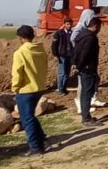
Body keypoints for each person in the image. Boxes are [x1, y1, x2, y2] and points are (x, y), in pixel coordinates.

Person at [11, 25, 49, 155]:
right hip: (39, 87)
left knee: (27, 119)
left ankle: (35, 148)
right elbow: (45, 67)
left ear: (21, 38)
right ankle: (42, 139)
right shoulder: (40, 50)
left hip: (25, 89)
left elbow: (17, 73)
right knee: (30, 117)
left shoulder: (20, 53)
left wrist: (15, 87)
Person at [71, 9, 106, 114]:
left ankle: (90, 102)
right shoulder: (86, 34)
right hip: (86, 67)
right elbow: (82, 51)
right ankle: (83, 109)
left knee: (92, 83)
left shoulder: (85, 33)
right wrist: (78, 65)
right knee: (84, 88)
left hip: (85, 66)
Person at [51, 18, 74, 94]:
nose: (69, 25)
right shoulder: (59, 33)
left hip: (69, 56)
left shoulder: (73, 33)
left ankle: (64, 88)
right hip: (62, 55)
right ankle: (60, 89)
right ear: (64, 24)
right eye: (67, 24)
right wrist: (55, 54)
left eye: (70, 24)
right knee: (62, 72)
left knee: (67, 73)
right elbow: (54, 45)